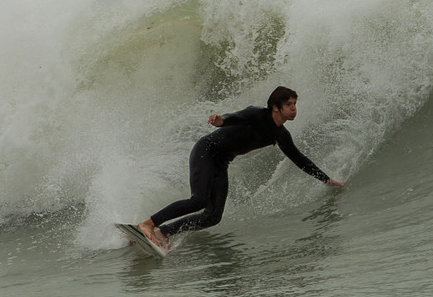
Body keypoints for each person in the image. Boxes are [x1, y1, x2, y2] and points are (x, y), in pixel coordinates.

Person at [134, 86, 344, 252]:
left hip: (221, 161)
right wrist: (220, 121)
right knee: (198, 200)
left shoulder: (280, 135)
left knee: (213, 216)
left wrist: (325, 179)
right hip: (206, 151)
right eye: (288, 104)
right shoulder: (257, 114)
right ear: (275, 107)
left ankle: (164, 232)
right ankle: (148, 223)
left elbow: (299, 159)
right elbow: (235, 117)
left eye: (295, 104)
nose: (294, 108)